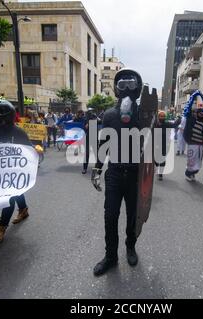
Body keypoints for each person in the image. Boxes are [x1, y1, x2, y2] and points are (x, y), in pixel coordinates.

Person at [91, 68, 143, 276]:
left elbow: (153, 144)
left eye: (131, 85)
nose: (127, 90)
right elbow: (104, 142)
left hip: (135, 175)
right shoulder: (110, 115)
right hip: (114, 173)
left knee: (133, 216)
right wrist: (97, 168)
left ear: (138, 89)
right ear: (116, 89)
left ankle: (130, 246)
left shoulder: (145, 114)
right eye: (122, 85)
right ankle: (110, 256)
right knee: (110, 216)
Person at [0, 99, 32, 243]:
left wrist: (36, 151)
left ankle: (1, 227)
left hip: (15, 171)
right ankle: (24, 209)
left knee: (9, 198)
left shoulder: (18, 132)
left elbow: (29, 149)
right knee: (17, 192)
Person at [183, 108, 203, 182]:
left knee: (198, 161)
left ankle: (193, 173)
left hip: (199, 144)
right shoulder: (192, 119)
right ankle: (188, 173)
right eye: (201, 113)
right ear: (197, 113)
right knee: (192, 159)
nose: (202, 114)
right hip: (192, 143)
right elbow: (188, 113)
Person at [155, 111, 175, 181]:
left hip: (165, 144)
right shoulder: (155, 124)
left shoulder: (168, 124)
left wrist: (184, 116)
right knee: (156, 159)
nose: (162, 118)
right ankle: (157, 168)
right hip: (156, 145)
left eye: (163, 116)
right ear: (158, 117)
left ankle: (160, 174)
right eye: (160, 116)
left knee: (163, 159)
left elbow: (175, 124)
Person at [82, 108, 100, 174]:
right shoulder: (85, 119)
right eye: (89, 112)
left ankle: (98, 167)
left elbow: (100, 121)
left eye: (91, 112)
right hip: (88, 137)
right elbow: (84, 127)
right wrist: (88, 124)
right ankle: (84, 168)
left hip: (95, 137)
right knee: (86, 153)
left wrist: (96, 117)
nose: (90, 113)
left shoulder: (95, 118)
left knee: (96, 153)